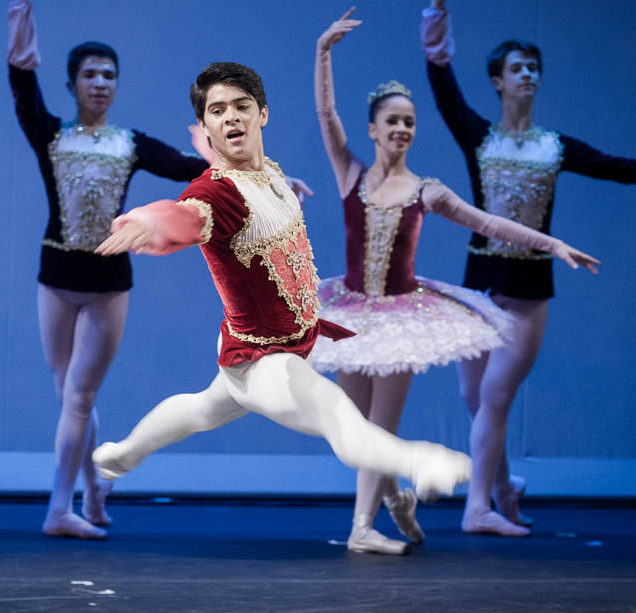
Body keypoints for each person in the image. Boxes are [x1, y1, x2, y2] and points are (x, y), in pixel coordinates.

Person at [421, 0, 636, 536]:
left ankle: (478, 507)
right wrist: (437, 10)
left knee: (494, 393)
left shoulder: (553, 147)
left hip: (530, 290)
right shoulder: (479, 137)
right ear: (498, 81)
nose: (529, 75)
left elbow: (620, 168)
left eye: (534, 68)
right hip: (478, 282)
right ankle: (505, 489)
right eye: (518, 68)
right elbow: (440, 85)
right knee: (474, 395)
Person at [90, 62, 473, 511]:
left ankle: (123, 454)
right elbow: (188, 213)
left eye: (241, 106)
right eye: (217, 111)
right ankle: (418, 461)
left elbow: (226, 165)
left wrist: (216, 150)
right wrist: (148, 221)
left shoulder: (269, 173)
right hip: (263, 360)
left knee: (204, 409)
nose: (231, 117)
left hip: (286, 343)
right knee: (335, 415)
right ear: (207, 125)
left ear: (263, 114)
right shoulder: (219, 194)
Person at [312, 9, 599, 553]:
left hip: (400, 322)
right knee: (355, 438)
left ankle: (361, 530)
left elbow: (490, 222)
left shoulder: (428, 191)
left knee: (380, 432)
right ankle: (394, 500)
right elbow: (326, 112)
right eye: (391, 121)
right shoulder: (349, 172)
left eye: (409, 123)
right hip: (348, 313)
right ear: (372, 129)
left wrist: (553, 243)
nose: (401, 129)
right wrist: (324, 51)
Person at [8, 0, 215, 539]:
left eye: (109, 75)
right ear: (73, 83)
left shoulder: (129, 142)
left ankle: (58, 510)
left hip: (106, 286)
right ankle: (96, 486)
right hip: (55, 278)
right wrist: (22, 0)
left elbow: (186, 167)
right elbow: (21, 81)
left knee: (78, 396)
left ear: (117, 86)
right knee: (69, 394)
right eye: (91, 75)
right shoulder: (50, 135)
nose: (101, 83)